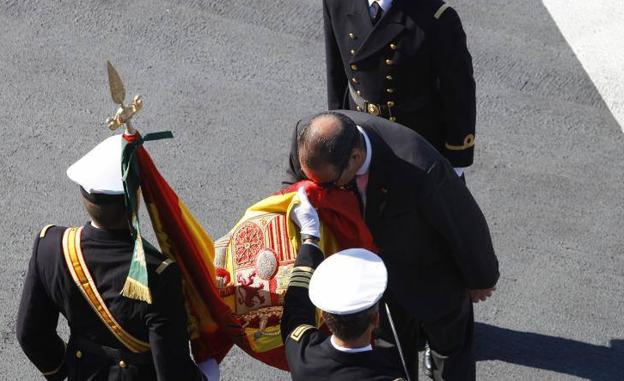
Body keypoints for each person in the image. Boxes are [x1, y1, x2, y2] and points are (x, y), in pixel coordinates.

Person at [285, 111, 499, 380]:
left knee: (451, 354)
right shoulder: (307, 140)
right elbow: (294, 184)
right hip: (370, 283)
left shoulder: (418, 165)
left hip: (427, 274)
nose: (322, 188)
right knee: (389, 352)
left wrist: (481, 277)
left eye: (328, 183)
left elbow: (462, 220)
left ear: (355, 157)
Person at [16, 134, 207, 381]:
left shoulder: (51, 245)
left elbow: (30, 334)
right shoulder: (158, 274)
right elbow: (172, 372)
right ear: (134, 198)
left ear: (84, 198)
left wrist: (64, 371)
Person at [323, 0, 476, 177]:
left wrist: (455, 164)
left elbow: (459, 93)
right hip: (359, 137)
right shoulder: (337, 2)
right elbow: (336, 73)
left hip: (414, 144)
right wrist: (336, 132)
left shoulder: (437, 17)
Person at [281, 187, 406, 381]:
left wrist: (310, 237)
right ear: (375, 319)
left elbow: (295, 310)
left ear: (323, 314)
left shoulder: (304, 357)